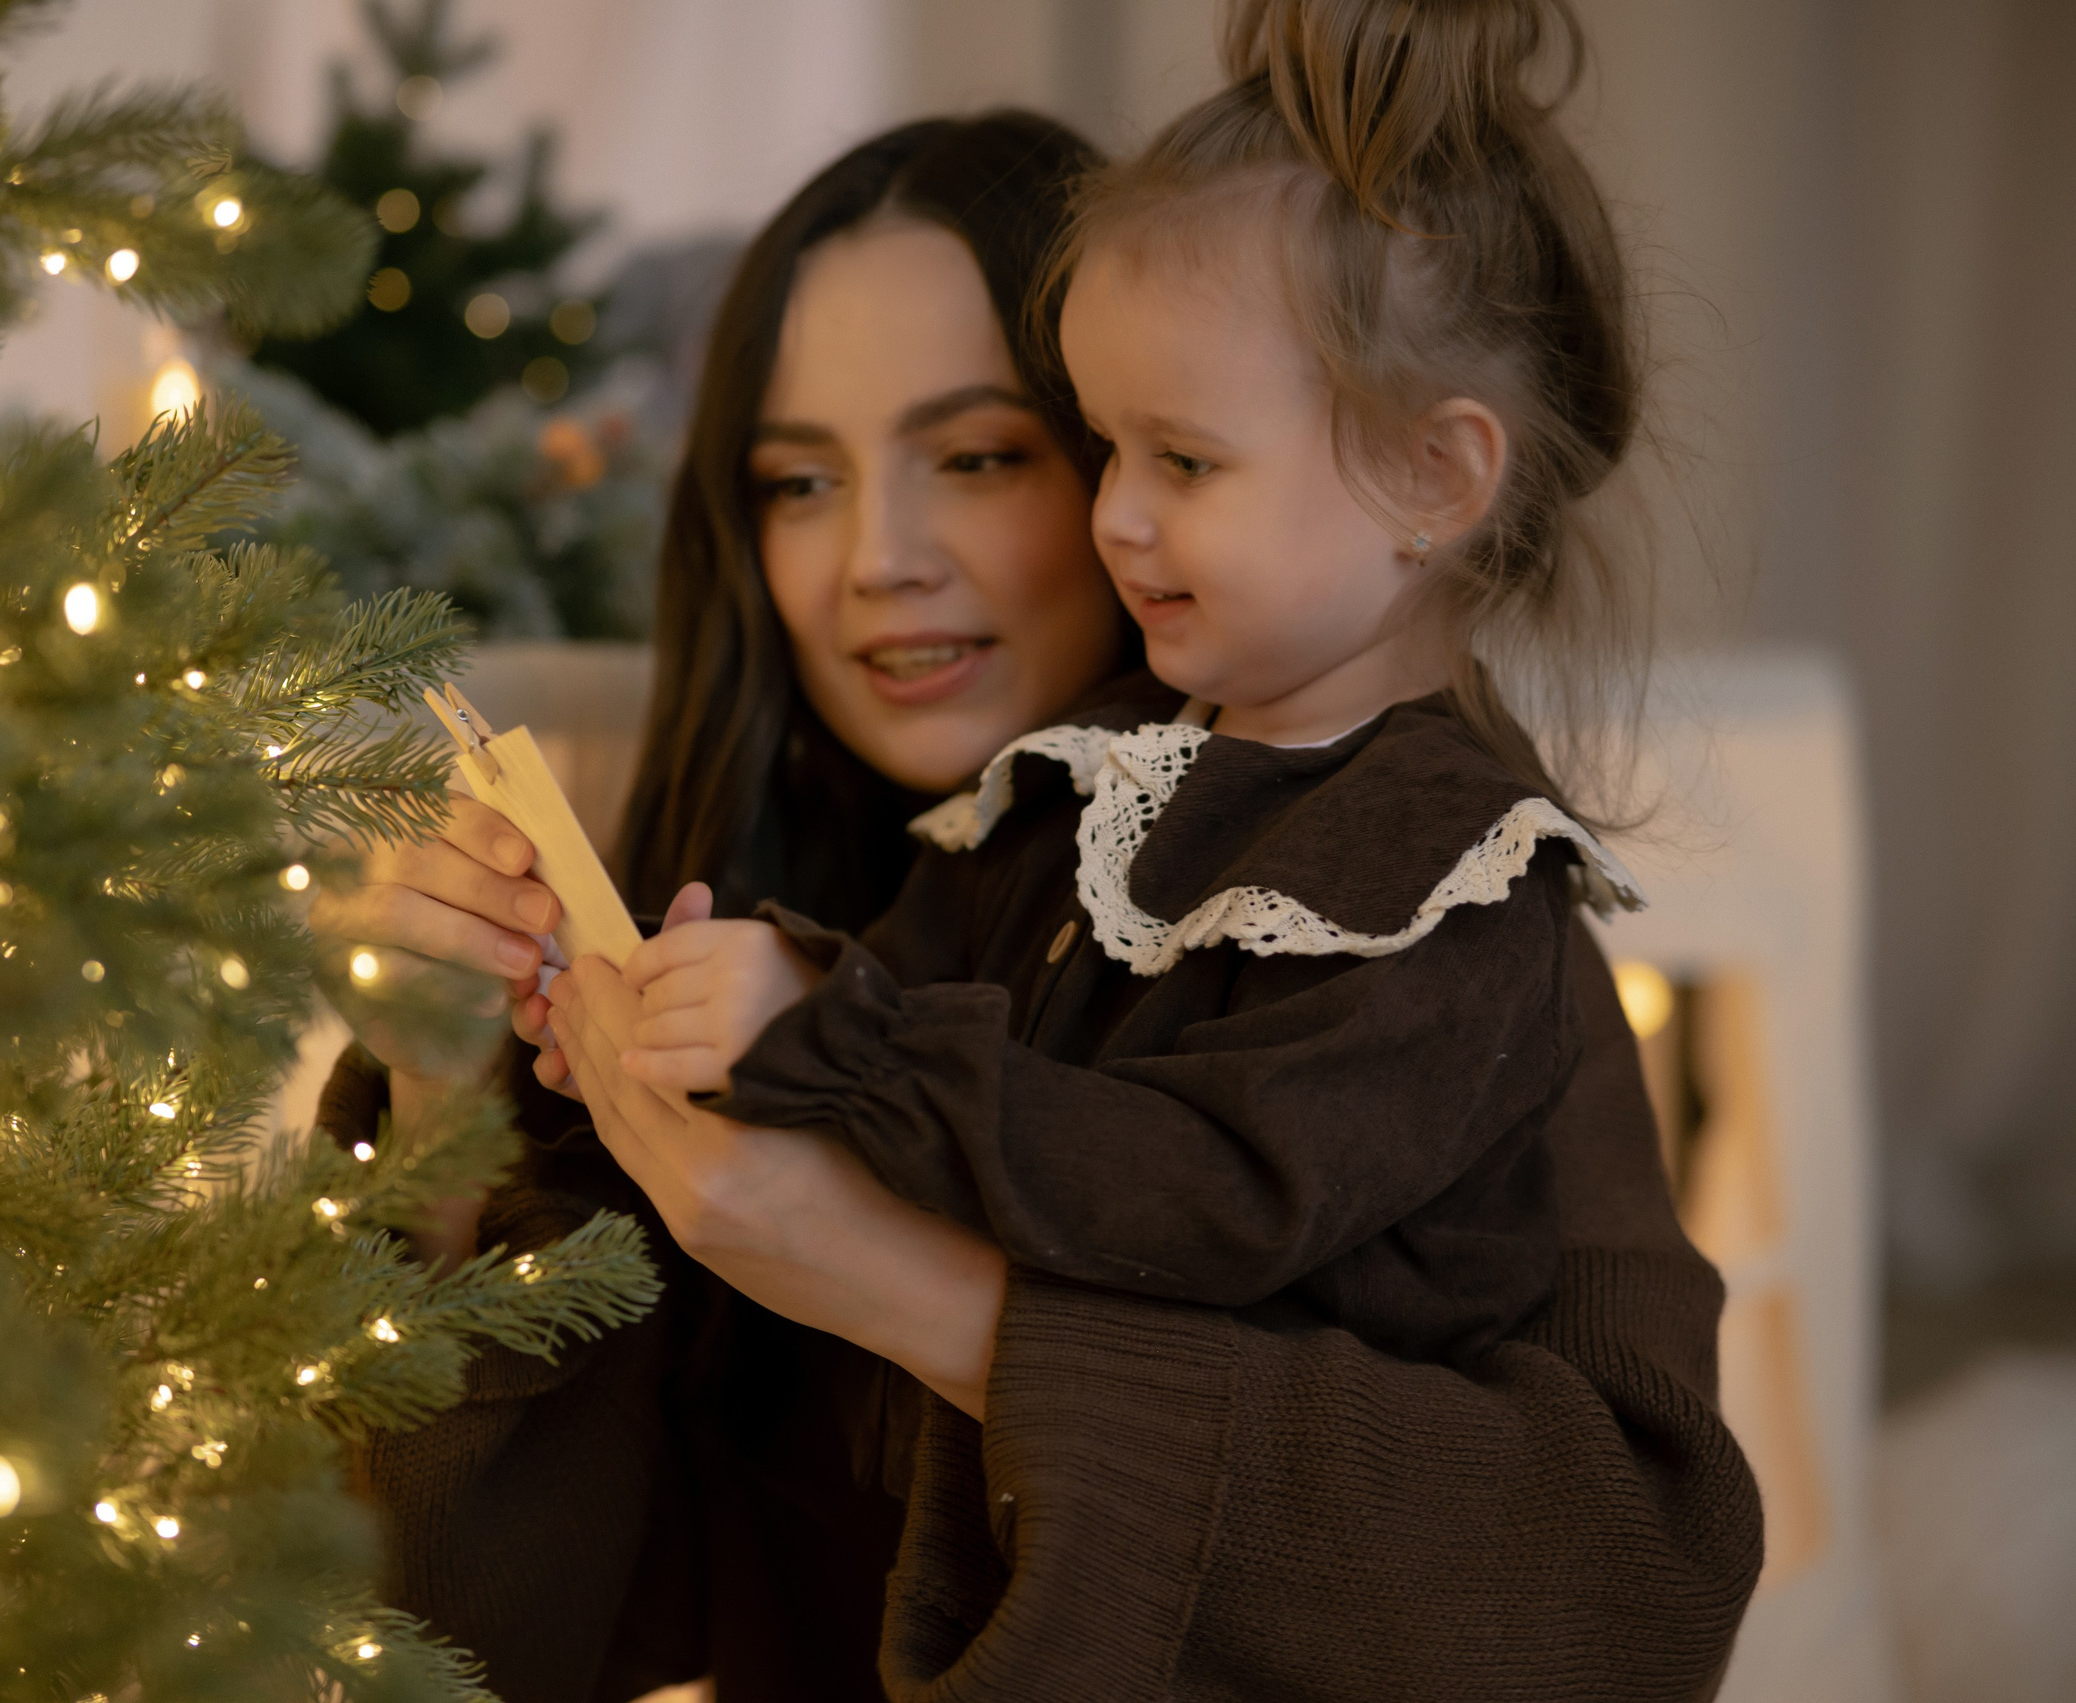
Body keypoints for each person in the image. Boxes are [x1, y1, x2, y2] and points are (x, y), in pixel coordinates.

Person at [320, 82, 1759, 1703]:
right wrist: (444, 1141)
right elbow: (462, 1653)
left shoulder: (1416, 920)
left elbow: (1629, 1597)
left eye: (982, 455)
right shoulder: (773, 933)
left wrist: (916, 1292)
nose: (879, 557)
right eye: (799, 481)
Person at [597, 0, 1655, 1382]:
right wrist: (632, 1014)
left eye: (1184, 461)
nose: (1117, 518)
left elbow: (1215, 1194)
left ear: (1434, 478)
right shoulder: (1090, 773)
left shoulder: (1455, 885)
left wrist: (838, 1046)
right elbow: (891, 990)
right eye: (1104, 450)